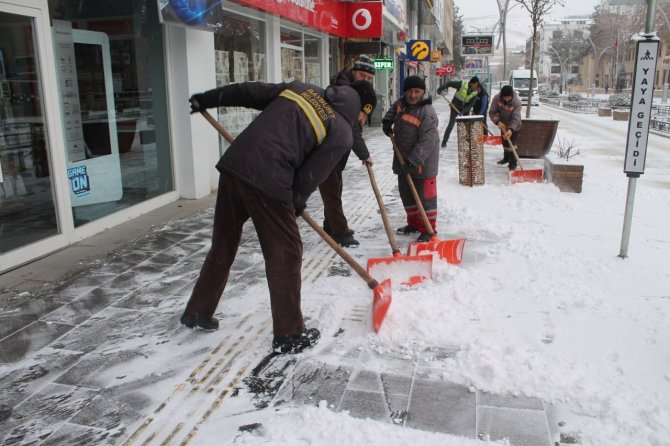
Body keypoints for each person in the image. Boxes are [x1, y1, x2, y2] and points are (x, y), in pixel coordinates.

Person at [183, 79, 376, 355]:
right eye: (363, 117)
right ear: (360, 110)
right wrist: (295, 203)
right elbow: (311, 175)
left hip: (235, 165)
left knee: (224, 243)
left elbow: (249, 92)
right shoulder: (343, 131)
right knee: (286, 251)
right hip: (270, 180)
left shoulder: (301, 89)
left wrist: (208, 98)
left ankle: (198, 312)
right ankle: (289, 333)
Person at [319, 55, 377, 247]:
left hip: (335, 150)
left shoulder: (356, 91)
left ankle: (330, 226)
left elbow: (355, 126)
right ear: (353, 71)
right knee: (332, 192)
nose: (365, 80)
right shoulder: (343, 90)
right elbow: (352, 127)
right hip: (325, 149)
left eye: (369, 78)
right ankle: (341, 232)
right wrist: (364, 154)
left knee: (334, 190)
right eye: (362, 75)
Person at [381, 75, 440, 243]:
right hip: (403, 160)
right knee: (407, 195)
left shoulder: (427, 112)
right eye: (409, 91)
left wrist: (412, 162)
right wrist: (387, 120)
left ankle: (428, 230)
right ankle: (414, 224)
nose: (413, 95)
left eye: (417, 91)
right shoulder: (403, 103)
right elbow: (394, 107)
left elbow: (427, 142)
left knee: (425, 199)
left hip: (422, 164)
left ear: (423, 92)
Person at [436, 76, 480, 147]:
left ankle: (468, 143)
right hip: (455, 106)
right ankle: (444, 142)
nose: (476, 87)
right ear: (472, 83)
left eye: (477, 85)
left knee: (466, 126)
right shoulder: (462, 84)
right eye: (475, 85)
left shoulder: (474, 93)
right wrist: (440, 89)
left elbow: (470, 105)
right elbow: (449, 83)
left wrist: (463, 111)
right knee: (451, 125)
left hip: (464, 109)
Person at [488, 85, 522, 171]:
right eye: (505, 97)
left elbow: (516, 118)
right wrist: (497, 122)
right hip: (502, 124)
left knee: (512, 144)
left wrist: (511, 129)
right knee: (505, 143)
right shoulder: (497, 98)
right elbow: (492, 112)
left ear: (511, 96)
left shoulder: (516, 102)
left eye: (508, 97)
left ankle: (513, 164)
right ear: (502, 95)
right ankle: (506, 159)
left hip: (514, 125)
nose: (506, 99)